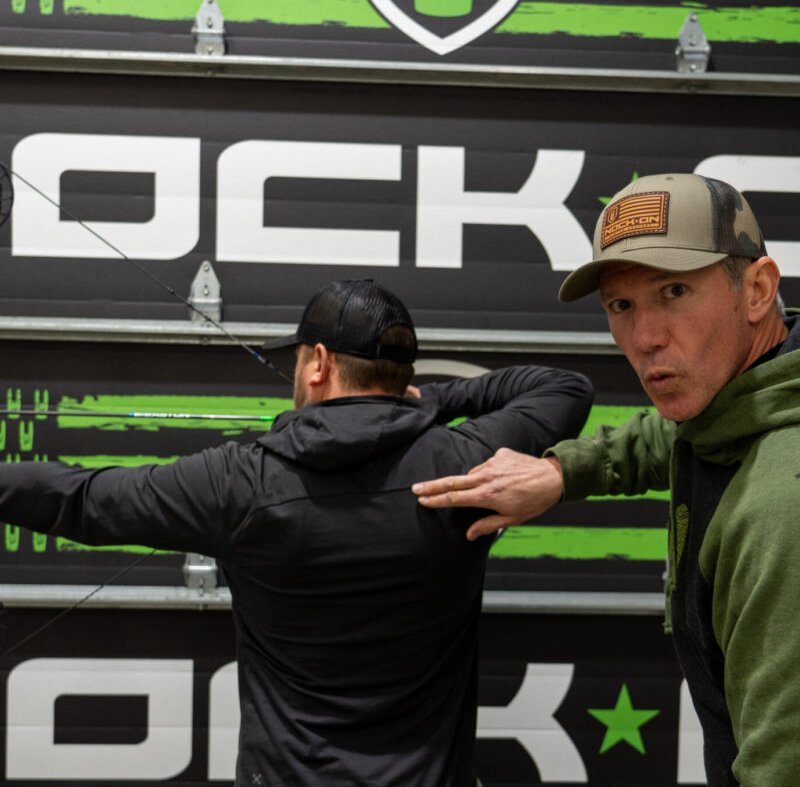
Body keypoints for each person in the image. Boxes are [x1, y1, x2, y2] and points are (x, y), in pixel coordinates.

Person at [0, 278, 593, 787]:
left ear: (320, 364)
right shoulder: (465, 464)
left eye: (298, 359)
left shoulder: (240, 483)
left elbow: (74, 496)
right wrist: (423, 402)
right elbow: (565, 388)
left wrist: (403, 404)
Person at [412, 173, 800, 787]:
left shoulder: (783, 510)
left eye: (674, 291)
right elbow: (670, 435)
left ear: (756, 290)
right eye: (622, 306)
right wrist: (558, 472)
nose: (645, 338)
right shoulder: (748, 394)